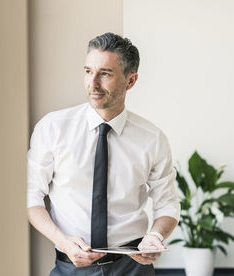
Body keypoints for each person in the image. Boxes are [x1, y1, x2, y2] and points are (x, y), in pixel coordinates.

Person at [27, 32, 180, 276]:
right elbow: (31, 197)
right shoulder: (53, 128)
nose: (93, 83)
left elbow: (167, 205)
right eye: (88, 71)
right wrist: (64, 242)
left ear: (130, 81)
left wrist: (155, 235)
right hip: (70, 267)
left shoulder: (152, 138)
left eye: (105, 73)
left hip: (133, 268)